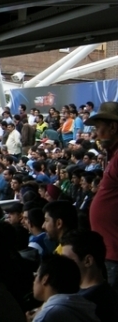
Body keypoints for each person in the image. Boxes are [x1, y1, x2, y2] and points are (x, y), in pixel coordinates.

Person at [86, 102, 118, 291]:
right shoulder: (112, 156)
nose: (96, 134)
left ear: (113, 127)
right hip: (109, 250)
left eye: (99, 128)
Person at [61, 230, 118, 322]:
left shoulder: (84, 303)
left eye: (67, 260)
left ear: (88, 261)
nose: (62, 265)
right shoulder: (109, 293)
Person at [30, 255, 99, 322]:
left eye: (36, 275)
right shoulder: (83, 307)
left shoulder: (47, 315)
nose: (34, 281)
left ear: (45, 279)